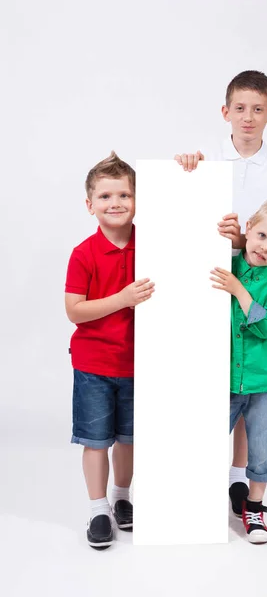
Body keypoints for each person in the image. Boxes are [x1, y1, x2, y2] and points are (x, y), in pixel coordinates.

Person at [175, 70, 267, 515]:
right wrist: (187, 168)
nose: (248, 117)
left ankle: (238, 478)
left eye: (258, 110)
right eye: (240, 109)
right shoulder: (208, 162)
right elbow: (186, 206)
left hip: (255, 284)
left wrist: (245, 242)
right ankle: (201, 480)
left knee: (251, 381)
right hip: (212, 278)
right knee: (220, 378)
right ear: (225, 112)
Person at [65, 152, 155, 549]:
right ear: (90, 205)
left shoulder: (153, 245)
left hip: (140, 363)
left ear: (138, 200)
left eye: (124, 194)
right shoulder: (83, 254)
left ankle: (122, 499)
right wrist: (121, 299)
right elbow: (74, 311)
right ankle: (98, 509)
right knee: (96, 440)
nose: (115, 203)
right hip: (94, 365)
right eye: (104, 196)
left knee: (129, 439)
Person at [210, 199, 267, 543]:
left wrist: (239, 290)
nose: (266, 247)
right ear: (248, 227)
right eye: (262, 235)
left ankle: (254, 506)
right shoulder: (223, 261)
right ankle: (198, 501)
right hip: (222, 377)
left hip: (264, 380)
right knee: (204, 437)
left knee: (263, 446)